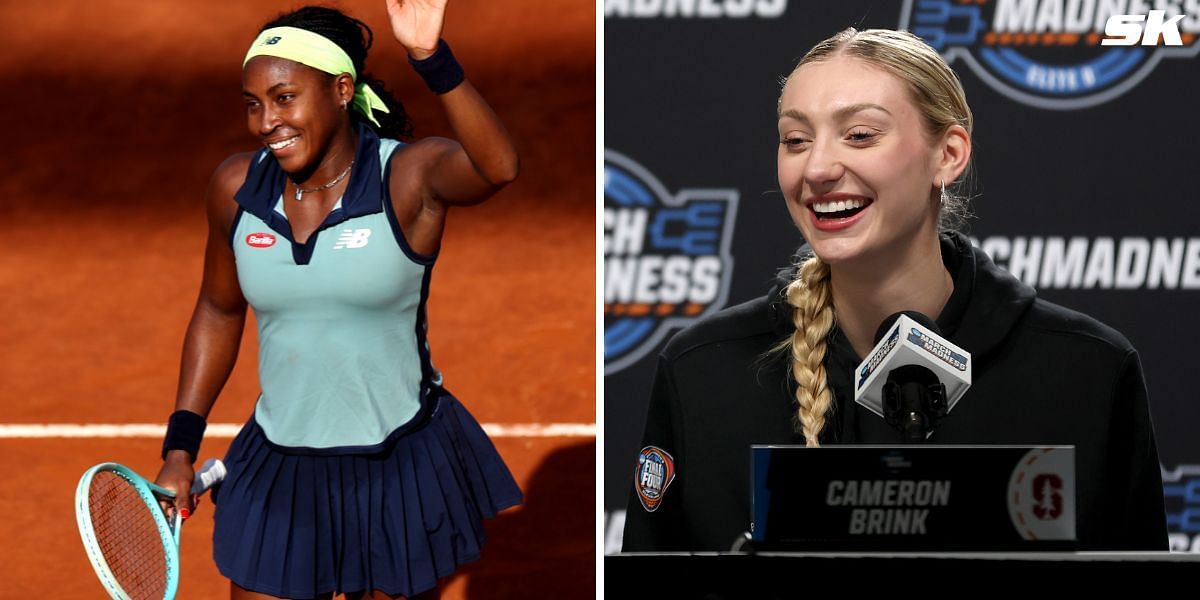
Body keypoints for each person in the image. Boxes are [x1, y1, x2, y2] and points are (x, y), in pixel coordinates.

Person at [622, 28, 1168, 552]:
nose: (817, 167)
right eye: (795, 140)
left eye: (860, 135)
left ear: (948, 155)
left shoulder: (1088, 370)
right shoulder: (702, 370)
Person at [153, 2, 522, 598]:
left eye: (284, 98)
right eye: (253, 104)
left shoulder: (408, 176)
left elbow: (497, 167)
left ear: (342, 89)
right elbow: (218, 311)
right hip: (279, 465)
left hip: (395, 465)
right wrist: (180, 446)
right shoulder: (236, 188)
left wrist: (431, 59)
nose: (266, 122)